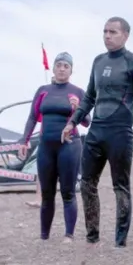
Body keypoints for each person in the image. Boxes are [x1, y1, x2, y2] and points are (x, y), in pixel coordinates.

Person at [62, 17, 133, 248]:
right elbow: (89, 98)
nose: (107, 36)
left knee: (120, 186)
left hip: (120, 132)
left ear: (125, 35)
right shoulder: (98, 61)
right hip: (96, 132)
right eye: (104, 31)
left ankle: (120, 240)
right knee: (87, 184)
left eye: (112, 32)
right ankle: (92, 237)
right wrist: (72, 122)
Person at [19, 52, 90, 241]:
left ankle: (69, 235)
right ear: (54, 67)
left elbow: (87, 122)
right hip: (46, 147)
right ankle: (44, 236)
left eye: (66, 66)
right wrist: (23, 141)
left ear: (71, 70)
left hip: (69, 146)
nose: (61, 68)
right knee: (47, 193)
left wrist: (77, 109)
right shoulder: (43, 90)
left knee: (67, 192)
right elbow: (33, 117)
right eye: (59, 65)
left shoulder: (78, 91)